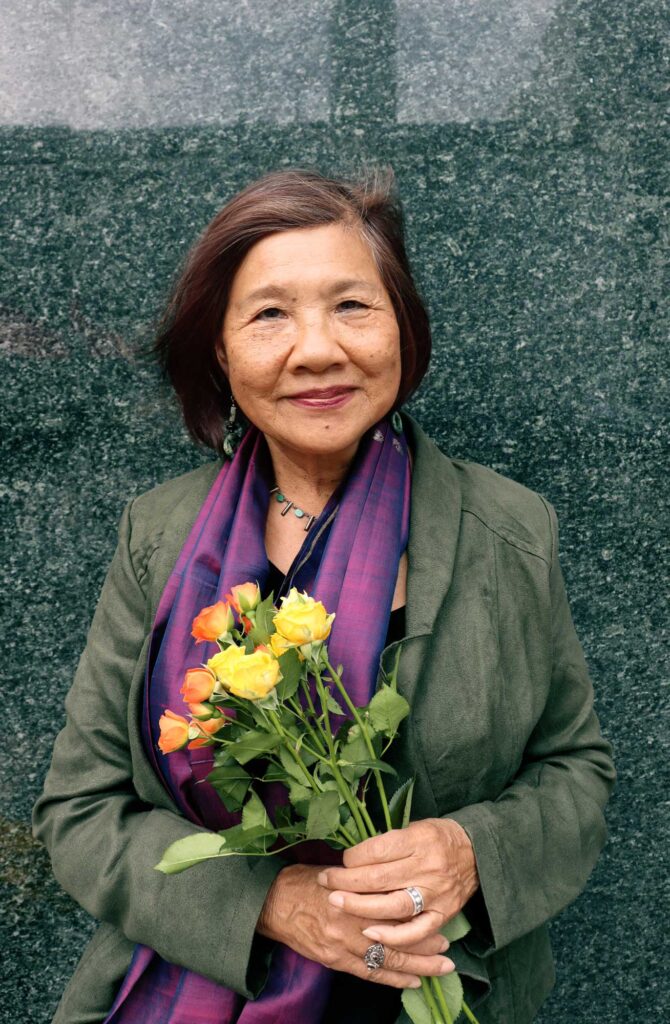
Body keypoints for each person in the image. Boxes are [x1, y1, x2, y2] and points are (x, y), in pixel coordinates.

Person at [32, 166, 615, 1024]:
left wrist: (471, 850)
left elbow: (576, 768)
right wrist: (271, 903)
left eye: (352, 306)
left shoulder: (509, 529)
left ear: (403, 332)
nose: (317, 349)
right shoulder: (159, 535)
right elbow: (80, 811)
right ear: (223, 352)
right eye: (270, 314)